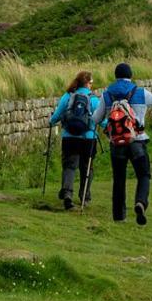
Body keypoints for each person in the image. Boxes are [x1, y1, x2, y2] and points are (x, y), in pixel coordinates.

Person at [92, 62, 152, 225]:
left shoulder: (107, 95)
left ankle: (119, 216)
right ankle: (140, 202)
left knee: (119, 179)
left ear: (115, 76)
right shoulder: (140, 92)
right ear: (130, 75)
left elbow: (96, 119)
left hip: (116, 144)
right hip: (137, 141)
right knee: (143, 175)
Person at [48, 70, 100, 209]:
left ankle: (67, 194)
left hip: (70, 137)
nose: (91, 85)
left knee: (69, 166)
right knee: (87, 168)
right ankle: (85, 197)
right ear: (87, 83)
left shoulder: (68, 96)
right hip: (88, 138)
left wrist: (51, 121)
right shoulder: (93, 99)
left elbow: (57, 115)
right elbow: (101, 119)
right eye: (91, 83)